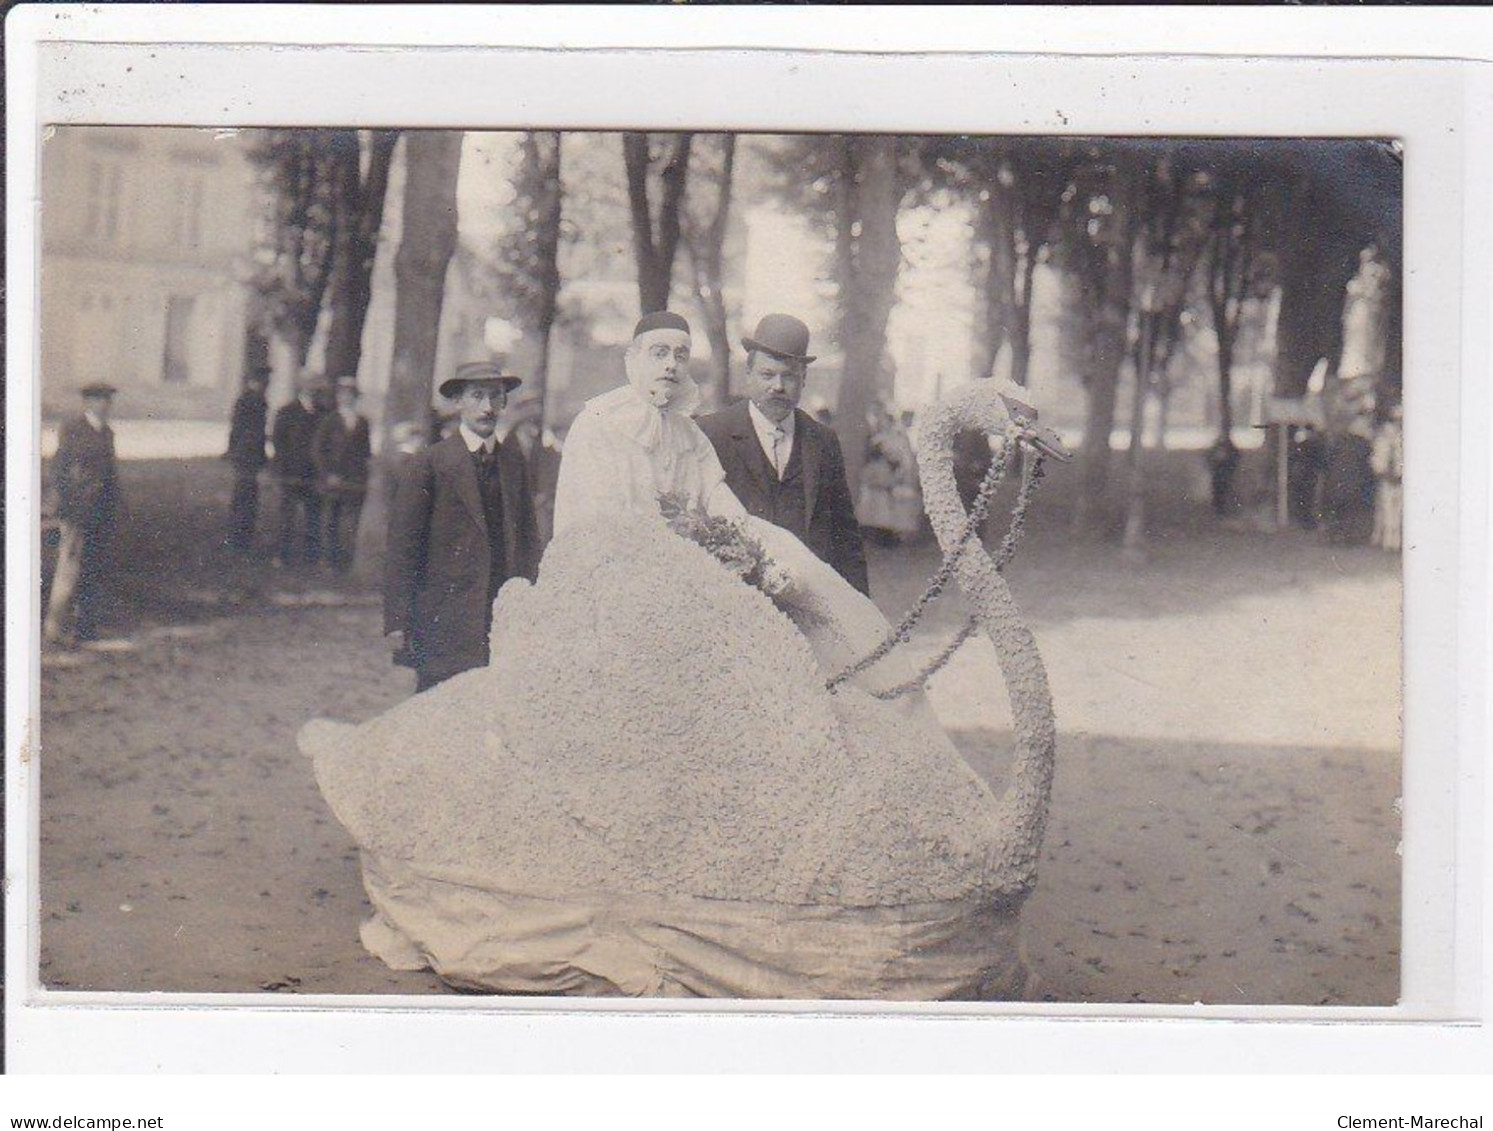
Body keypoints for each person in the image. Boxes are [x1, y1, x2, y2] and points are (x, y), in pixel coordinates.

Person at [384, 361, 540, 693]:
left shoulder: (513, 463)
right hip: (443, 615)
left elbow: (527, 539)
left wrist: (531, 601)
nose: (487, 407)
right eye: (477, 396)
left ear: (504, 403)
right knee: (439, 711)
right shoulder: (430, 463)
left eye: (495, 397)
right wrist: (398, 621)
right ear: (458, 402)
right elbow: (403, 547)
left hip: (498, 615)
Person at [696, 313, 869, 596]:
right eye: (767, 374)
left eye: (788, 376)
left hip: (813, 601)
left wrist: (862, 615)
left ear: (803, 379)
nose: (777, 386)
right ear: (748, 374)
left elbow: (846, 537)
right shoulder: (711, 434)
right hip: (733, 599)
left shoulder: (822, 441)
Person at [44, 383, 121, 646]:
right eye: (99, 400)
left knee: (93, 569)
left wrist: (114, 506)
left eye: (107, 400)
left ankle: (85, 627)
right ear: (87, 403)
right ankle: (55, 628)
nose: (104, 405)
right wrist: (67, 504)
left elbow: (110, 475)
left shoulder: (108, 433)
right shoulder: (73, 430)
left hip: (101, 511)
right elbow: (59, 470)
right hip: (78, 512)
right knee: (69, 569)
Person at [312, 377, 372, 573]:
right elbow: (318, 450)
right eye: (343, 394)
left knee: (351, 520)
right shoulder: (330, 420)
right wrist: (328, 473)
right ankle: (328, 559)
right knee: (331, 519)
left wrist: (363, 475)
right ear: (338, 397)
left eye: (351, 394)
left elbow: (365, 452)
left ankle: (346, 559)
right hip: (333, 478)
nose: (346, 398)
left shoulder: (362, 422)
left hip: (354, 479)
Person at [270, 374, 328, 568]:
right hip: (291, 472)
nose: (312, 392)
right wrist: (281, 470)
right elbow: (279, 444)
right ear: (301, 389)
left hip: (314, 473)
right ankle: (282, 556)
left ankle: (311, 557)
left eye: (316, 389)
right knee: (287, 515)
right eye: (308, 388)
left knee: (314, 515)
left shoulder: (324, 413)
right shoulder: (287, 412)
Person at [502, 388, 564, 553]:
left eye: (534, 423)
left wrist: (542, 497)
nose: (532, 429)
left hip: (536, 512)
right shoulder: (505, 449)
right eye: (528, 423)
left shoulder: (543, 449)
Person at [223, 367, 269, 554]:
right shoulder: (247, 401)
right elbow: (238, 430)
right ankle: (237, 540)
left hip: (252, 455)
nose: (263, 385)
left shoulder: (259, 400)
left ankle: (243, 538)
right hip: (246, 455)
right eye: (259, 380)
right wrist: (235, 451)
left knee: (249, 497)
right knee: (243, 497)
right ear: (251, 381)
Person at [1370, 405, 1403, 551]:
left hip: (1400, 478)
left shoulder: (1402, 441)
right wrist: (1384, 473)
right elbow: (1376, 460)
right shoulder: (1381, 441)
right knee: (1387, 509)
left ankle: (1396, 540)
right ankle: (1387, 541)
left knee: (1399, 510)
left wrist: (1399, 474)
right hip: (1386, 478)